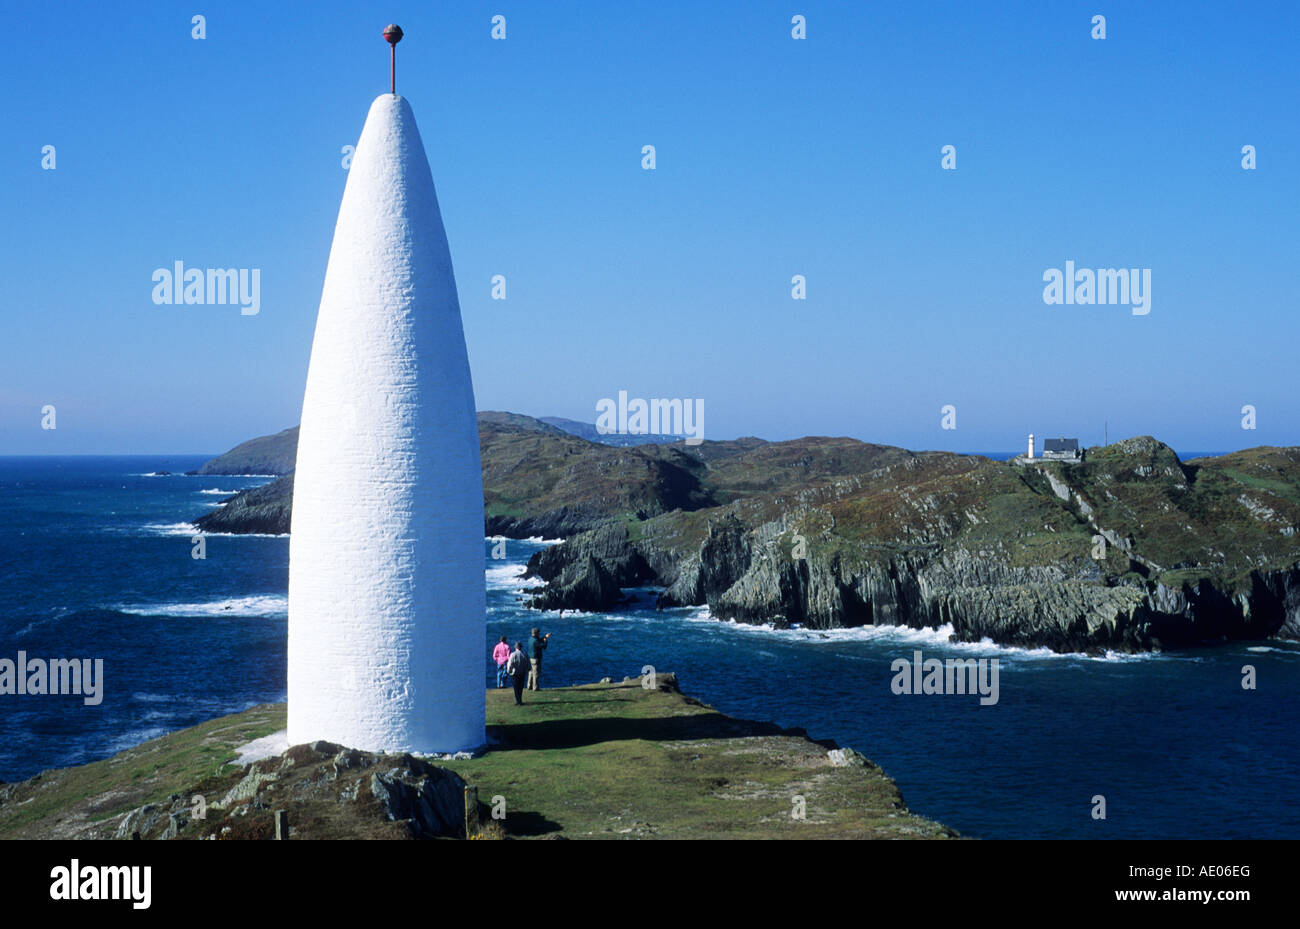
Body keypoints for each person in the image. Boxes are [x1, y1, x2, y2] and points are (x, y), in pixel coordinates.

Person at [506, 641, 531, 706]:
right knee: (520, 687)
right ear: (521, 647)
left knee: (516, 687)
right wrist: (528, 669)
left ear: (515, 647)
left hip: (515, 673)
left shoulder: (513, 654)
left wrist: (509, 671)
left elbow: (510, 664)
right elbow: (528, 664)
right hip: (522, 673)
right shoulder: (525, 654)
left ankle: (518, 701)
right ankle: (520, 700)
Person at [528, 627, 552, 691]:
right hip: (536, 658)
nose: (539, 634)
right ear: (536, 633)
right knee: (536, 673)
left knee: (531, 672)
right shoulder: (535, 641)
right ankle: (535, 687)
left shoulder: (530, 639)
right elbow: (543, 646)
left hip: (530, 658)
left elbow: (538, 640)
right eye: (538, 633)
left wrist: (545, 636)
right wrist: (546, 641)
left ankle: (529, 686)